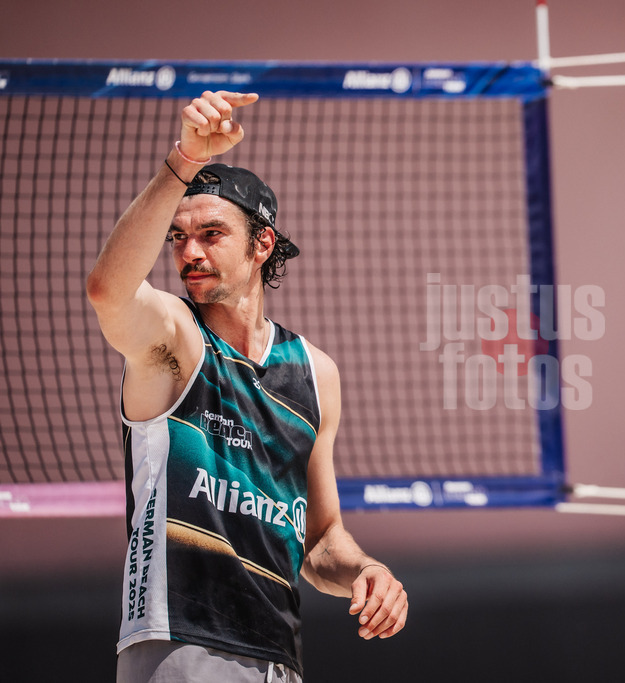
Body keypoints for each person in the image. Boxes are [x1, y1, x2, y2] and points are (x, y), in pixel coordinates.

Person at [87, 90, 409, 682]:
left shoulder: (315, 372)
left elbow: (319, 539)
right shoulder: (175, 342)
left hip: (278, 659)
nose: (190, 252)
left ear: (263, 243)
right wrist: (181, 161)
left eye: (211, 234)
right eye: (178, 238)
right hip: (181, 641)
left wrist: (366, 569)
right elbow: (108, 290)